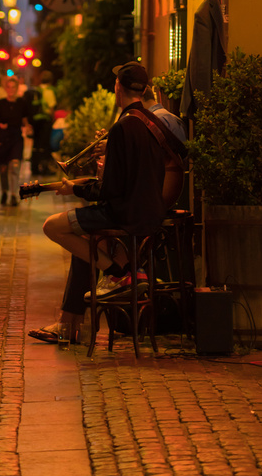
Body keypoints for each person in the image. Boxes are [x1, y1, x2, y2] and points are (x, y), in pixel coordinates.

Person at [33, 62, 169, 344]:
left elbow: (110, 190)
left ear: (117, 88)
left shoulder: (122, 127)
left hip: (123, 214)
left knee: (53, 227)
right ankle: (71, 326)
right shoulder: (153, 123)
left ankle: (119, 274)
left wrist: (76, 189)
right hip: (150, 211)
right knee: (84, 247)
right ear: (144, 90)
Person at [0, 76, 28, 207]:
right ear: (6, 88)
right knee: (3, 168)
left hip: (16, 137)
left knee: (15, 166)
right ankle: (4, 191)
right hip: (3, 138)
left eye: (14, 87)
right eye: (9, 87)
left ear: (17, 88)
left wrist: (28, 127)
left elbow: (25, 119)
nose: (11, 90)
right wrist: (0, 125)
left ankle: (13, 194)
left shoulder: (22, 103)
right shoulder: (0, 104)